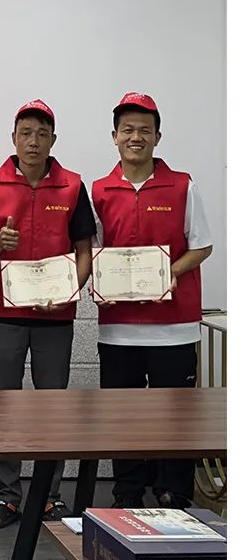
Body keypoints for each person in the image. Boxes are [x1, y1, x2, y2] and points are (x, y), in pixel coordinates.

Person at [0, 99, 95, 529]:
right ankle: (7, 496)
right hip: (3, 311)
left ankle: (49, 497)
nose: (33, 142)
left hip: (55, 315)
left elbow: (84, 251)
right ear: (13, 138)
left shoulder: (73, 186)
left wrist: (68, 290)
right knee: (4, 406)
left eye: (42, 134)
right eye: (26, 133)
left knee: (52, 407)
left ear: (53, 140)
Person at [91, 92, 212, 509]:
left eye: (145, 130)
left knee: (175, 416)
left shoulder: (182, 185)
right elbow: (96, 250)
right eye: (127, 129)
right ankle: (126, 493)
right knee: (121, 415)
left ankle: (174, 494)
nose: (136, 137)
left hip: (174, 326)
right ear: (114, 136)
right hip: (118, 328)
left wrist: (170, 272)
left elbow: (202, 245)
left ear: (158, 137)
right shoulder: (100, 190)